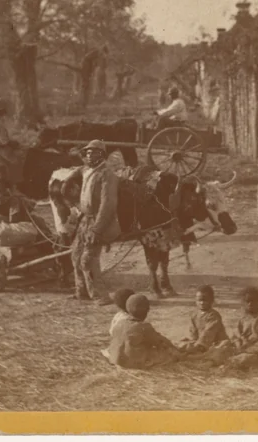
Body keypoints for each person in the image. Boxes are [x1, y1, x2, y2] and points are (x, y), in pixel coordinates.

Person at [67, 140, 120, 304]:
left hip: (97, 220)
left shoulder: (107, 175)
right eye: (88, 152)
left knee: (88, 259)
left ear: (102, 155)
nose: (89, 155)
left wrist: (97, 229)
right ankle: (81, 291)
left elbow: (108, 204)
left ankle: (100, 295)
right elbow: (76, 173)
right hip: (84, 219)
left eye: (94, 152)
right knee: (76, 255)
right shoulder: (86, 170)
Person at [104, 294, 180, 369]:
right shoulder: (144, 326)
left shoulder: (120, 322)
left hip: (115, 359)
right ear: (147, 311)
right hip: (132, 363)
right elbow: (159, 341)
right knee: (167, 355)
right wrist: (174, 348)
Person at [221, 287, 258, 371]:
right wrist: (237, 344)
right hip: (242, 349)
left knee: (245, 359)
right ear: (243, 302)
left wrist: (246, 350)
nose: (250, 304)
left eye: (253, 301)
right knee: (222, 349)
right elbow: (236, 336)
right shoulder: (243, 319)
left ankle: (229, 365)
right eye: (247, 301)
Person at [176, 285, 229, 353]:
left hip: (215, 343)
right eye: (199, 300)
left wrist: (198, 345)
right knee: (181, 345)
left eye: (205, 300)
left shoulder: (213, 315)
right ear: (196, 300)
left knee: (217, 351)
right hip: (200, 342)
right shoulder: (194, 315)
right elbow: (193, 333)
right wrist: (192, 342)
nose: (202, 303)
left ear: (211, 300)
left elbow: (208, 333)